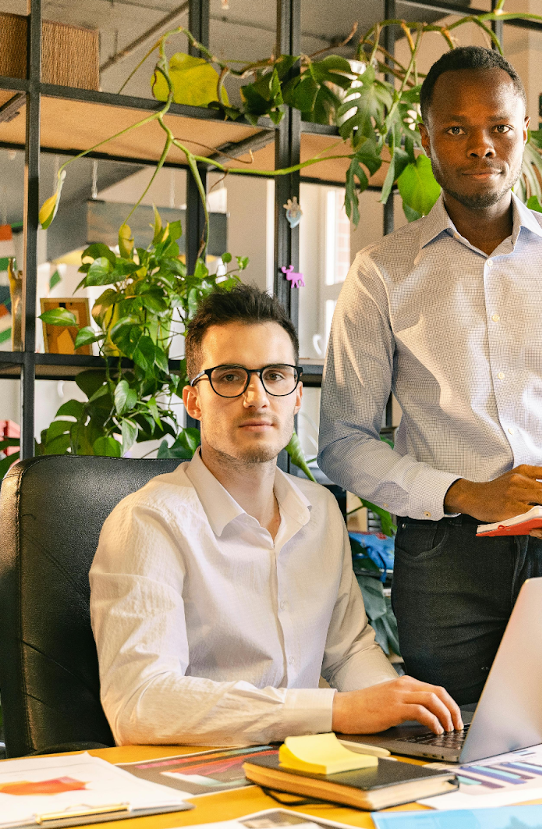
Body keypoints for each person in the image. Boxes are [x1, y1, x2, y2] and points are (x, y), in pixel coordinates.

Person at [318, 46, 542, 705]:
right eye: (457, 129)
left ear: (525, 131)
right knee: (449, 753)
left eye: (499, 126)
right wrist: (468, 492)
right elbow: (343, 440)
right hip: (444, 562)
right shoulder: (382, 272)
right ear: (426, 139)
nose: (482, 146)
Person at [90, 283, 462, 746]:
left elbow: (347, 652)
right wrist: (336, 711)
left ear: (297, 396)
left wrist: (407, 713)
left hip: (310, 767)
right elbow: (140, 703)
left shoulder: (322, 512)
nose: (256, 397)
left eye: (276, 375)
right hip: (200, 776)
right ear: (193, 401)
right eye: (229, 377)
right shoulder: (148, 522)